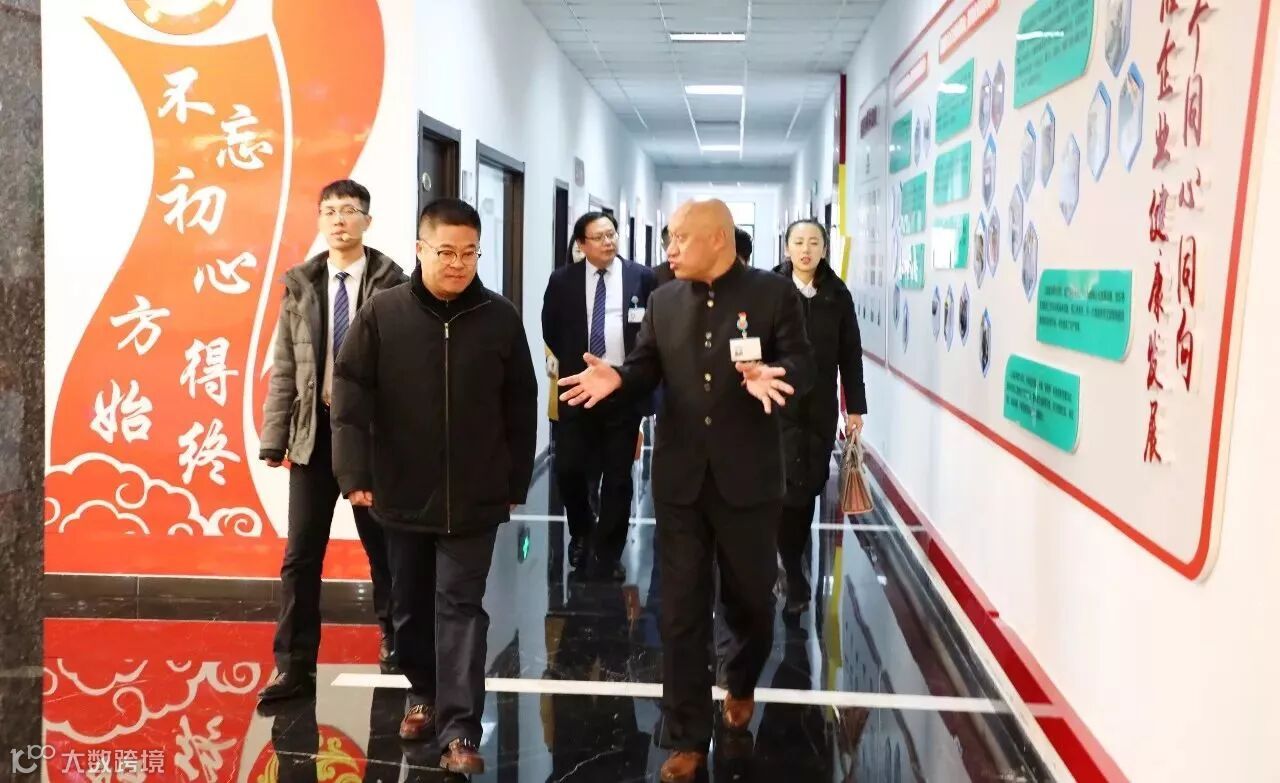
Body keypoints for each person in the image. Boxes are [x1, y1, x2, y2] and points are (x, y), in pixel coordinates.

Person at [559, 199, 814, 783]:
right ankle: (686, 735)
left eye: (680, 238)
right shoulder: (663, 299)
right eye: (668, 239)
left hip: (749, 479)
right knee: (680, 611)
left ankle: (741, 678)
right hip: (680, 480)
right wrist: (619, 377)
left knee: (751, 601)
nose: (668, 249)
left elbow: (802, 363)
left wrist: (777, 376)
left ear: (718, 239)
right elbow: (646, 366)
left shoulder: (774, 295)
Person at [331, 198, 537, 774]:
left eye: (469, 253)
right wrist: (354, 472)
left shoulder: (499, 317)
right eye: (445, 251)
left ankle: (460, 731)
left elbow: (521, 403)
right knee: (410, 606)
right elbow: (350, 393)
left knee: (462, 608)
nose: (457, 263)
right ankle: (421, 691)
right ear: (420, 249)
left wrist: (515, 477)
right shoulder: (383, 313)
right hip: (401, 489)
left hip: (475, 494)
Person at [257, 179, 406, 705]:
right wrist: (275, 437)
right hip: (314, 435)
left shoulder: (393, 284)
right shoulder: (300, 284)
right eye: (329, 211)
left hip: (369, 436)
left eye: (349, 210)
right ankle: (293, 665)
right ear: (320, 220)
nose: (339, 219)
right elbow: (285, 367)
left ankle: (396, 639)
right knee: (301, 554)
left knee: (384, 549)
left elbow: (405, 371)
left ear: (367, 220)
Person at [542, 212, 656, 579]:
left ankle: (608, 552)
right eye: (599, 237)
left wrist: (630, 378)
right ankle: (582, 532)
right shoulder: (563, 281)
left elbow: (652, 331)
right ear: (581, 244)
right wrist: (578, 366)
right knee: (569, 468)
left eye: (612, 234)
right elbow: (550, 328)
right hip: (578, 388)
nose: (608, 242)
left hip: (623, 389)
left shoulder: (641, 277)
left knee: (618, 477)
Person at [775, 219, 867, 616]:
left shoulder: (837, 294)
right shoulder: (771, 289)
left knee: (808, 486)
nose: (806, 249)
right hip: (778, 405)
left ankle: (790, 559)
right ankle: (792, 571)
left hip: (819, 408)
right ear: (787, 248)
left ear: (825, 249)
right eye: (798, 242)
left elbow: (851, 353)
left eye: (814, 242)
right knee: (783, 486)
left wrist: (855, 408)